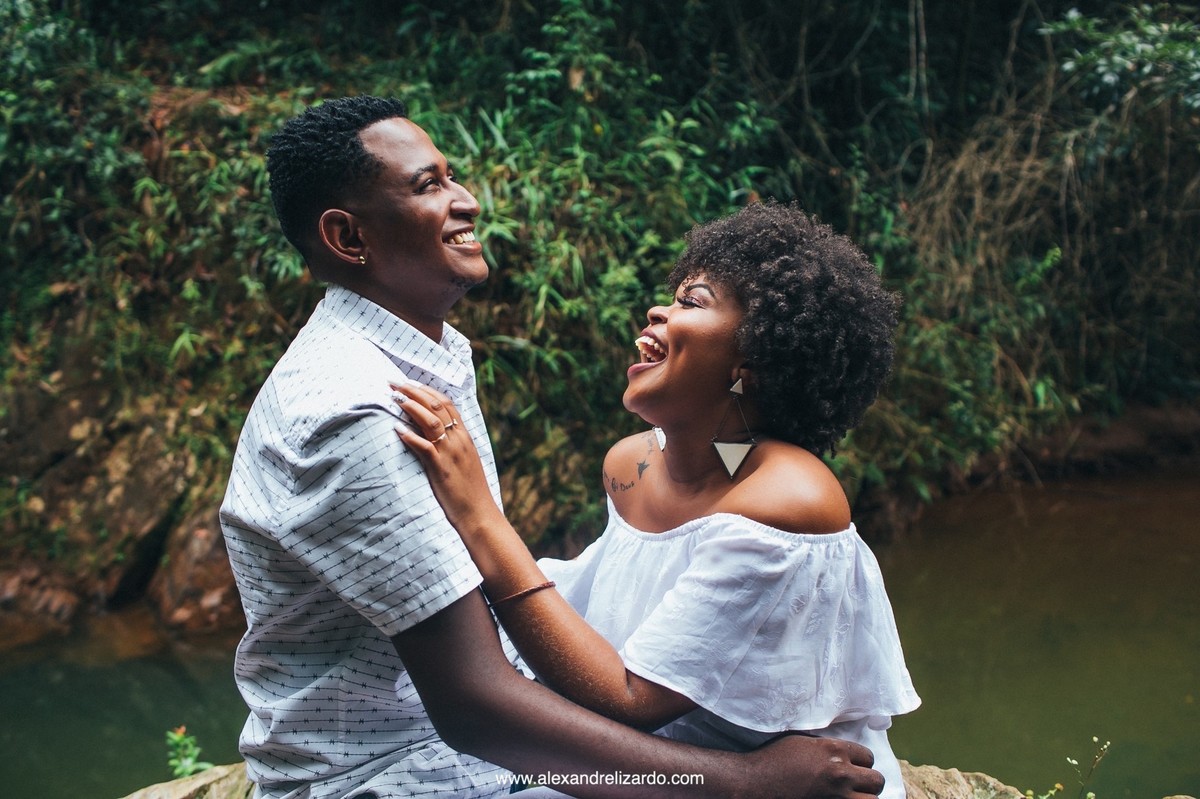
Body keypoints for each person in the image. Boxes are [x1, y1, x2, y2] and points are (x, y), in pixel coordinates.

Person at [220, 95, 888, 799]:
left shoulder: (423, 357)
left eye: (453, 176)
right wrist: (740, 783)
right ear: (348, 237)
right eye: (428, 185)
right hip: (398, 772)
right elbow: (478, 709)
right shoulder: (359, 411)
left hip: (470, 745)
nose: (468, 200)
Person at [394, 201, 921, 799]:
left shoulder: (789, 501)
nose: (658, 309)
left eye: (691, 302)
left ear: (747, 367)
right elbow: (600, 622)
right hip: (659, 772)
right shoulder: (632, 465)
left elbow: (631, 698)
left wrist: (479, 514)